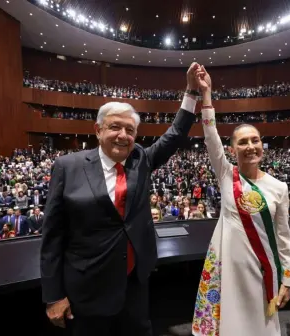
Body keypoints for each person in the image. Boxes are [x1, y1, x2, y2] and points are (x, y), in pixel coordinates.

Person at [41, 63, 200, 336]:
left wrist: (192, 92)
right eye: (115, 127)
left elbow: (175, 135)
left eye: (130, 130)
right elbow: (52, 236)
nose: (123, 135)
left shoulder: (141, 159)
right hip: (87, 287)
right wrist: (53, 296)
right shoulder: (68, 166)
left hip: (134, 283)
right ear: (98, 130)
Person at [191, 66, 290, 336]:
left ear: (262, 145)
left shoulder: (278, 187)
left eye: (255, 140)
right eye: (243, 142)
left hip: (263, 272)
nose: (250, 146)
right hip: (229, 269)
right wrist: (207, 95)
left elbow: (283, 238)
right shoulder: (226, 174)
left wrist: (288, 280)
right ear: (232, 149)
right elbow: (210, 136)